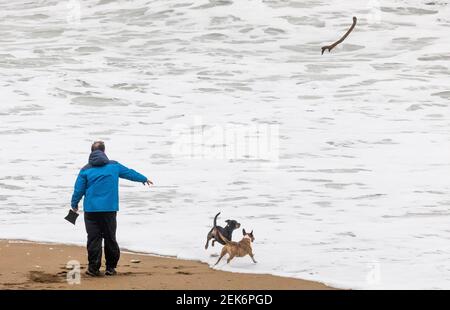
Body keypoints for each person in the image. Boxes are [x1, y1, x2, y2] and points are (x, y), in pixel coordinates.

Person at [70, 141, 153, 276]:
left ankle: (93, 269)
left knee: (93, 239)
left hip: (91, 211)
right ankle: (110, 268)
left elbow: (78, 190)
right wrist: (143, 179)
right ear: (104, 151)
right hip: (109, 210)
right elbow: (130, 173)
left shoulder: (85, 170)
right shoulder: (114, 166)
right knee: (110, 238)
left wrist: (74, 205)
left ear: (91, 152)